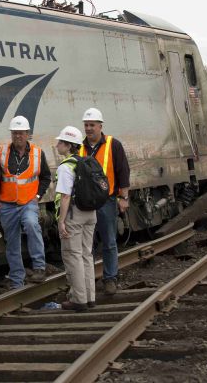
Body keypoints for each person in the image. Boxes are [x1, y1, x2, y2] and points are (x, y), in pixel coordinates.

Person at [0, 115, 52, 288]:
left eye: (21, 133)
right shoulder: (2, 153)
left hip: (28, 203)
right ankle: (17, 279)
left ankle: (39, 268)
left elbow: (46, 177)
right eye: (14, 133)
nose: (18, 136)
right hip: (6, 205)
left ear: (27, 134)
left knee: (32, 225)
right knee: (12, 242)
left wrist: (38, 196)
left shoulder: (38, 153)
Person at [80, 108, 130, 295]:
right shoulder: (80, 147)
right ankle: (88, 280)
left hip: (107, 201)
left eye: (92, 125)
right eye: (86, 125)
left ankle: (110, 278)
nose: (89, 128)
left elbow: (123, 171)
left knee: (109, 241)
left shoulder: (112, 144)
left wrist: (124, 197)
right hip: (85, 203)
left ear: (100, 126)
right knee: (87, 243)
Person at [54, 126, 97, 311]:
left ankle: (79, 300)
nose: (57, 145)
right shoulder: (87, 161)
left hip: (74, 215)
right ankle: (90, 297)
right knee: (86, 255)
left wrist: (61, 221)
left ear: (68, 145)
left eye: (60, 142)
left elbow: (65, 197)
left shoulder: (66, 167)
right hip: (90, 213)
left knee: (73, 256)